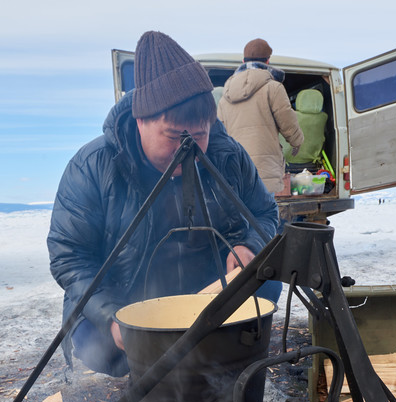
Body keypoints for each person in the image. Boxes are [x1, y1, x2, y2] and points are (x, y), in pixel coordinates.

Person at [47, 31, 281, 377]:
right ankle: (141, 365)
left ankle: (212, 352)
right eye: (174, 136)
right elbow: (70, 256)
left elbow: (264, 213)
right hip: (129, 296)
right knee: (96, 342)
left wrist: (249, 245)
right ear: (141, 120)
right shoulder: (93, 166)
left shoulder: (227, 155)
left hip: (207, 293)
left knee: (269, 283)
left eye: (200, 135)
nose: (189, 149)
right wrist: (112, 315)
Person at [217, 39, 303, 195]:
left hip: (235, 170)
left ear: (243, 61)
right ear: (268, 61)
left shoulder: (225, 96)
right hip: (265, 172)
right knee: (265, 215)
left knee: (242, 216)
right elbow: (287, 122)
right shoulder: (274, 88)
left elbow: (219, 134)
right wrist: (297, 141)